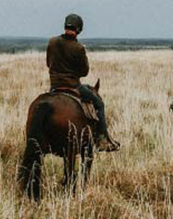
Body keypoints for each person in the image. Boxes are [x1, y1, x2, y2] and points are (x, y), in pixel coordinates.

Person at [46, 14, 119, 152]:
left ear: (65, 26)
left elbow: (48, 63)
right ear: (78, 29)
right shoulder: (78, 48)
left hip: (54, 87)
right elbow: (84, 72)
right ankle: (103, 139)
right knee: (99, 103)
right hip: (73, 86)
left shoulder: (52, 42)